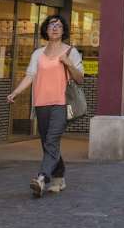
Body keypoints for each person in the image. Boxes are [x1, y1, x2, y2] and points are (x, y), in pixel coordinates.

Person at [6, 13, 84, 197]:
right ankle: (59, 178)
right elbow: (30, 76)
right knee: (48, 143)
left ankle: (41, 178)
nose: (54, 28)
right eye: (51, 25)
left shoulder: (70, 51)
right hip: (41, 103)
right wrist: (15, 92)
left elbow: (80, 78)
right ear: (46, 30)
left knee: (51, 140)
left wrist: (68, 63)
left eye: (58, 25)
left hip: (61, 103)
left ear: (63, 30)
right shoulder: (38, 54)